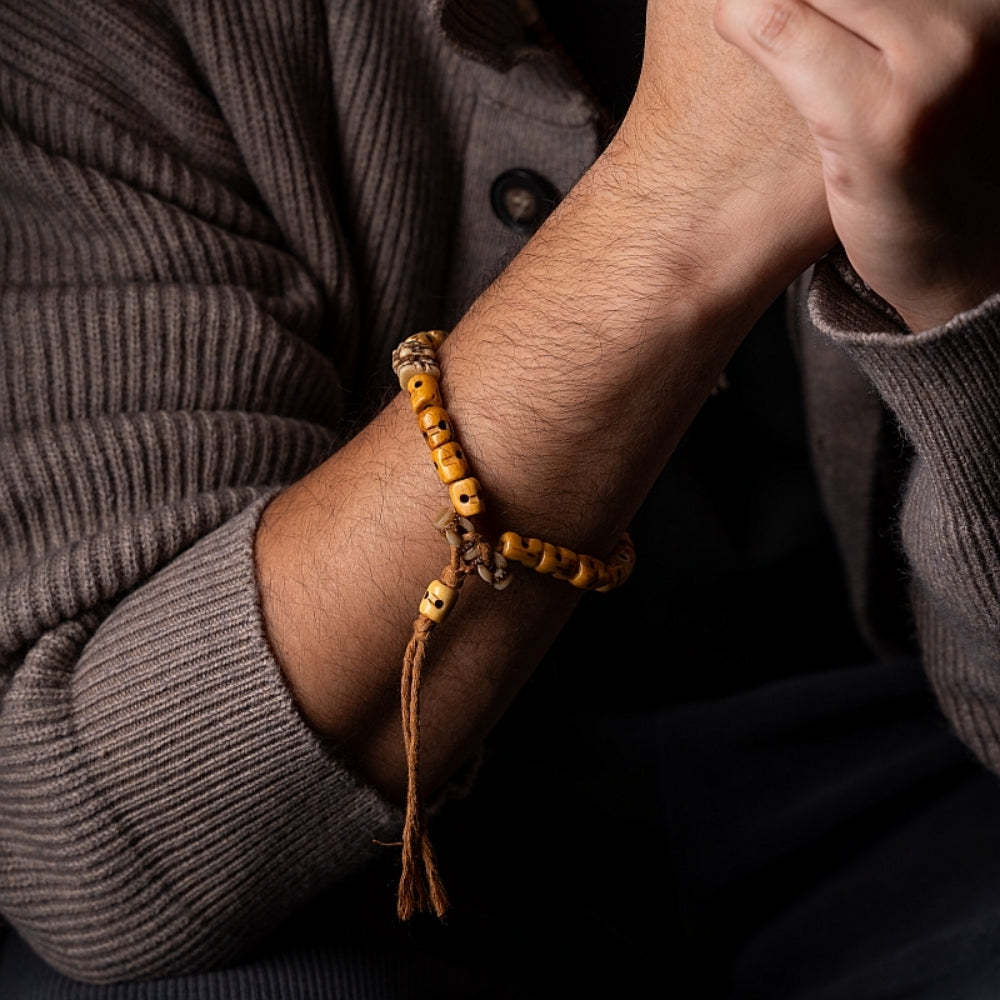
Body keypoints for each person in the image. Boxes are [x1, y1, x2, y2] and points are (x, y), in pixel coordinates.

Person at [1, 0, 999, 996]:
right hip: (368, 875)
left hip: (919, 776)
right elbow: (87, 842)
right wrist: (676, 207)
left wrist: (960, 291)